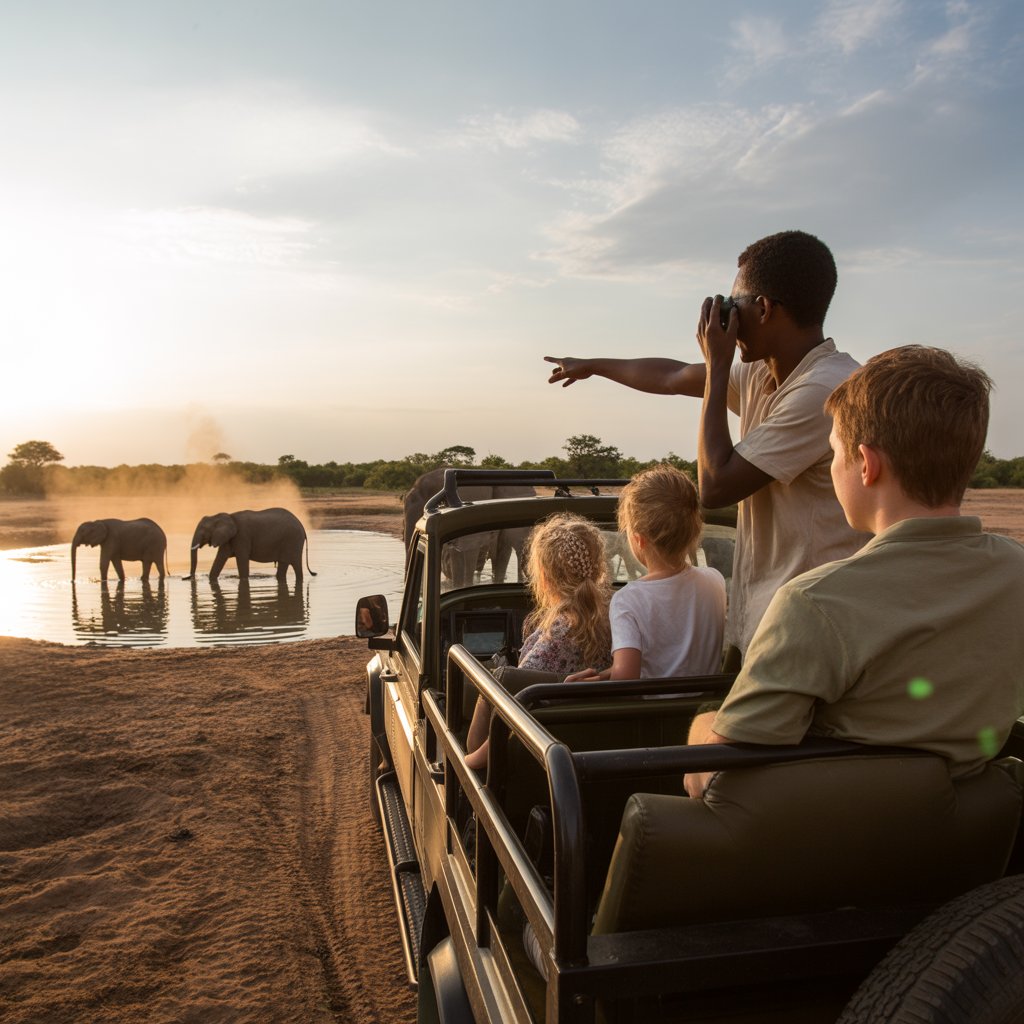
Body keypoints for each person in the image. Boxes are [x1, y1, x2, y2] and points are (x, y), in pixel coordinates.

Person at [685, 345, 1024, 797]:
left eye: (834, 453)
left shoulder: (815, 601)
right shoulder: (1015, 571)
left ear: (867, 464)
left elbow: (713, 779)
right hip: (972, 833)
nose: (833, 468)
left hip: (832, 834)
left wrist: (703, 725)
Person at [546, 230, 867, 662]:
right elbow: (672, 377)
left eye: (734, 304)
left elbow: (716, 486)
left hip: (808, 632)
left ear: (764, 308)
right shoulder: (765, 372)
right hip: (769, 619)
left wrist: (718, 365)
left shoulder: (824, 389)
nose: (726, 318)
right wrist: (593, 366)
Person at [464, 513, 612, 770]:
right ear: (599, 568)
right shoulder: (620, 617)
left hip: (534, 760)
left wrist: (468, 758)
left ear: (543, 576)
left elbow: (515, 705)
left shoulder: (556, 636)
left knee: (485, 681)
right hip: (595, 749)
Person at [568, 464, 726, 682]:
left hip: (653, 705)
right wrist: (603, 676)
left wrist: (580, 688)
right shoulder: (714, 580)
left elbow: (625, 681)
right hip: (709, 702)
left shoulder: (628, 599)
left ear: (639, 539)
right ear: (694, 529)